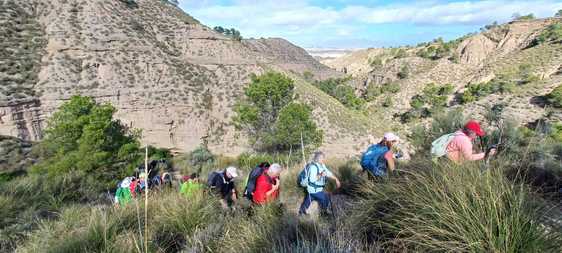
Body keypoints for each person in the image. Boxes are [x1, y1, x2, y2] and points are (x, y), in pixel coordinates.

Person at [298, 151, 341, 216]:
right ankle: (324, 213)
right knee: (326, 198)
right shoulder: (313, 167)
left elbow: (328, 173)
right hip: (314, 189)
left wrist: (336, 179)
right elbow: (312, 180)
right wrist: (320, 175)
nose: (324, 159)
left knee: (308, 199)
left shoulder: (322, 165)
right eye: (323, 158)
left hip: (313, 189)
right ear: (318, 158)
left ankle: (301, 212)